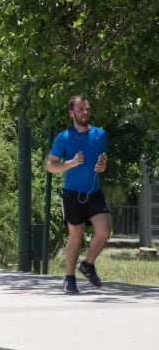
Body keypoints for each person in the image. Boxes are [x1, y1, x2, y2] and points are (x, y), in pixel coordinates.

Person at [47, 95, 110, 294]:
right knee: (76, 236)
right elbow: (50, 166)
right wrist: (70, 163)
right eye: (81, 109)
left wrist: (102, 165)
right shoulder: (64, 137)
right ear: (71, 113)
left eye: (87, 109)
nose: (85, 112)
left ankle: (88, 265)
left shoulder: (100, 134)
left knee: (104, 230)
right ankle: (70, 278)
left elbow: (102, 158)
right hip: (72, 193)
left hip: (94, 191)